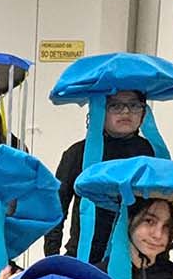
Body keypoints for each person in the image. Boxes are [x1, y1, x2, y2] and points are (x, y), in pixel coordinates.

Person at [46, 90, 155, 262]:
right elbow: (57, 207)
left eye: (134, 105)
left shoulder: (151, 154)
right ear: (98, 110)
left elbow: (163, 210)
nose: (126, 112)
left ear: (144, 112)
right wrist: (52, 257)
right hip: (84, 257)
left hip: (136, 258)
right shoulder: (78, 153)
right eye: (115, 105)